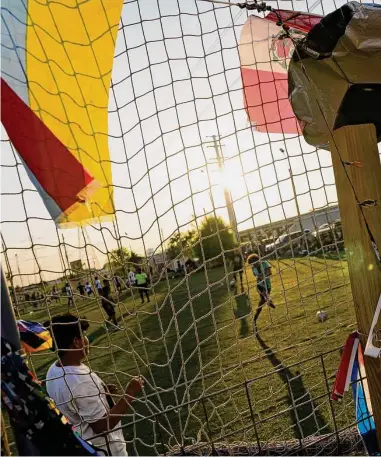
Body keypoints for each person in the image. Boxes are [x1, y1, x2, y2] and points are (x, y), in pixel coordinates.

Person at [45, 314, 144, 456]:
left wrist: (101, 394)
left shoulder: (53, 370)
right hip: (106, 451)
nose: (87, 340)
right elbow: (102, 426)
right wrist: (130, 392)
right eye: (84, 335)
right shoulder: (80, 381)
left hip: (84, 444)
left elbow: (76, 403)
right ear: (76, 342)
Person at [247, 254, 275, 333]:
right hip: (259, 285)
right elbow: (256, 276)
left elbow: (269, 272)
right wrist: (260, 278)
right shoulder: (253, 268)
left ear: (257, 260)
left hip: (267, 285)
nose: (253, 265)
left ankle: (267, 300)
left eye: (253, 263)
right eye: (251, 264)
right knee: (262, 297)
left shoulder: (265, 263)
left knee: (261, 303)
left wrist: (263, 276)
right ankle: (268, 299)